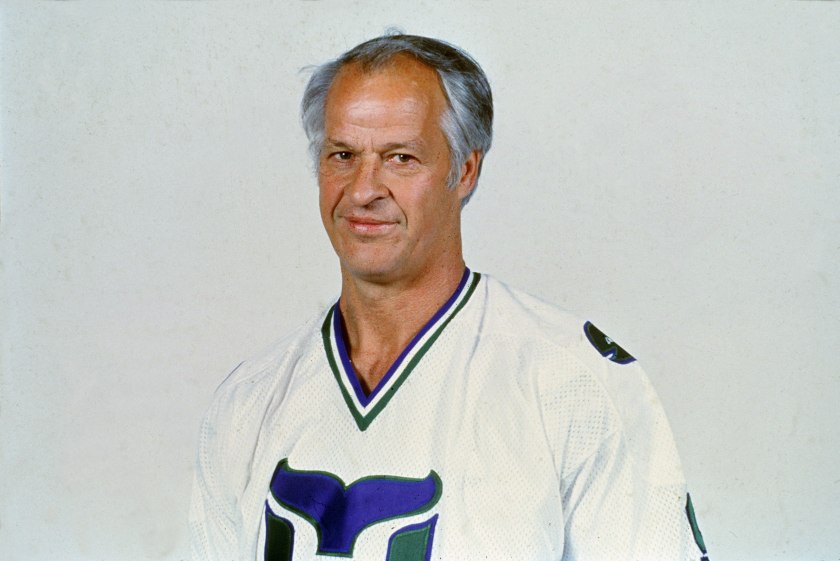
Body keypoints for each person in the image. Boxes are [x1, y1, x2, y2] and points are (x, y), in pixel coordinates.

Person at [189, 33, 709, 561]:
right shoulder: (248, 402)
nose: (364, 189)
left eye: (401, 158)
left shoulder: (572, 383)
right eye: (342, 154)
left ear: (465, 170)